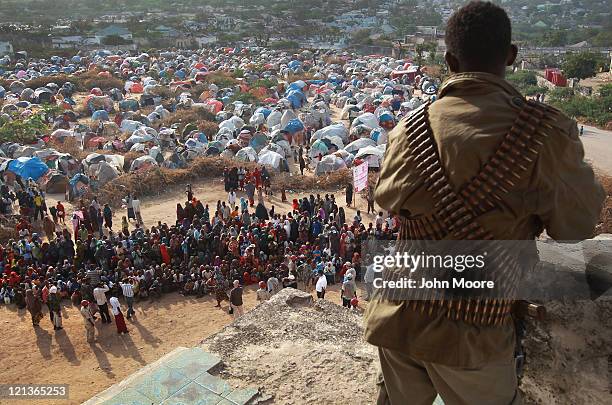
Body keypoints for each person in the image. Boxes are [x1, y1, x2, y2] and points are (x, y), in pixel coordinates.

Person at [365, 2, 605, 405]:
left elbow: (388, 198)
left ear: (449, 59)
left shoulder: (411, 127)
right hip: (473, 326)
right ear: (511, 55)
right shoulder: (545, 132)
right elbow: (576, 227)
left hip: (399, 312)